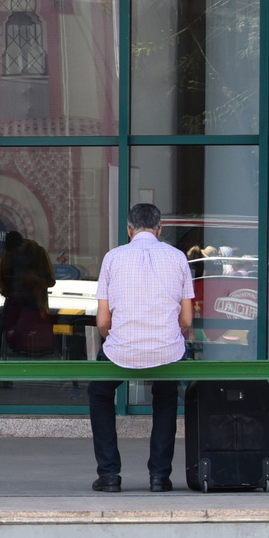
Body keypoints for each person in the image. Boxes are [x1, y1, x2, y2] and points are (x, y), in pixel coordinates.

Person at [89, 202, 194, 493]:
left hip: (120, 349)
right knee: (166, 396)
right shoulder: (178, 258)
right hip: (167, 350)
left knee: (99, 393)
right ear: (160, 229)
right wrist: (172, 337)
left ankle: (109, 474)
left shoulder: (113, 258)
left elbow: (102, 322)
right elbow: (186, 319)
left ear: (129, 229)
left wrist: (117, 338)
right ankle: (160, 476)